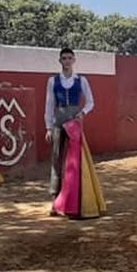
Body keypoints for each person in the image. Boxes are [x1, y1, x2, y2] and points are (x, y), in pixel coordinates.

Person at [45, 47, 96, 196]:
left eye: (69, 58)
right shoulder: (52, 80)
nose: (67, 61)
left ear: (74, 60)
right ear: (60, 61)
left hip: (74, 118)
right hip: (59, 117)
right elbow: (49, 104)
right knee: (56, 156)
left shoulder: (81, 80)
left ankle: (76, 193)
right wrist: (48, 127)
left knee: (75, 156)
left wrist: (82, 112)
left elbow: (90, 102)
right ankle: (56, 193)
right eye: (64, 58)